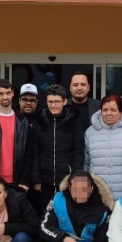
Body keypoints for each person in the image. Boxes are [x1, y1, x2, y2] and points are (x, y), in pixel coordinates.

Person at [31, 85, 85, 213]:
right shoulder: (39, 121)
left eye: (57, 102)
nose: (53, 105)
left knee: (66, 213)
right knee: (45, 214)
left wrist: (75, 177)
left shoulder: (74, 121)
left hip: (66, 179)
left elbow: (78, 150)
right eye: (50, 102)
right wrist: (36, 179)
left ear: (64, 101)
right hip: (44, 180)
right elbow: (34, 152)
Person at [0, 79, 33, 194]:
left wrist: (25, 180)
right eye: (1, 93)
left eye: (8, 93)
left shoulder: (23, 121)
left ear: (12, 93)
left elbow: (29, 154)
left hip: (18, 181)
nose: (5, 97)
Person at [85, 94, 122, 199]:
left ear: (120, 111)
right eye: (105, 110)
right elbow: (85, 164)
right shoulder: (90, 132)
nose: (108, 113)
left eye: (113, 110)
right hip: (97, 196)